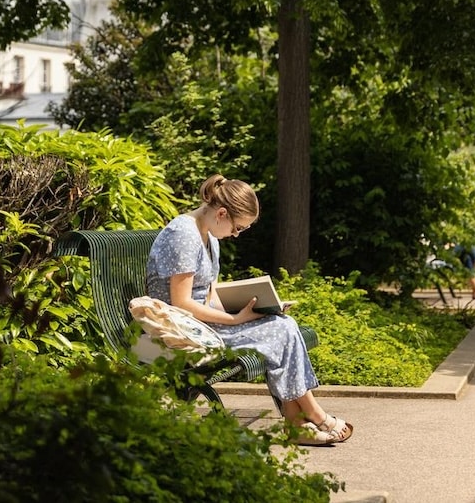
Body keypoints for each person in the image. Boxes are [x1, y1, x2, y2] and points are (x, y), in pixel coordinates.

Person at [145, 174, 353, 444]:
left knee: (283, 324)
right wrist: (234, 319)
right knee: (282, 331)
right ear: (222, 213)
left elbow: (209, 295)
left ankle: (300, 422)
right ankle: (311, 416)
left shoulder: (208, 237)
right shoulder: (184, 235)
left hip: (201, 322)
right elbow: (182, 303)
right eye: (238, 228)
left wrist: (260, 305)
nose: (236, 234)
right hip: (181, 328)